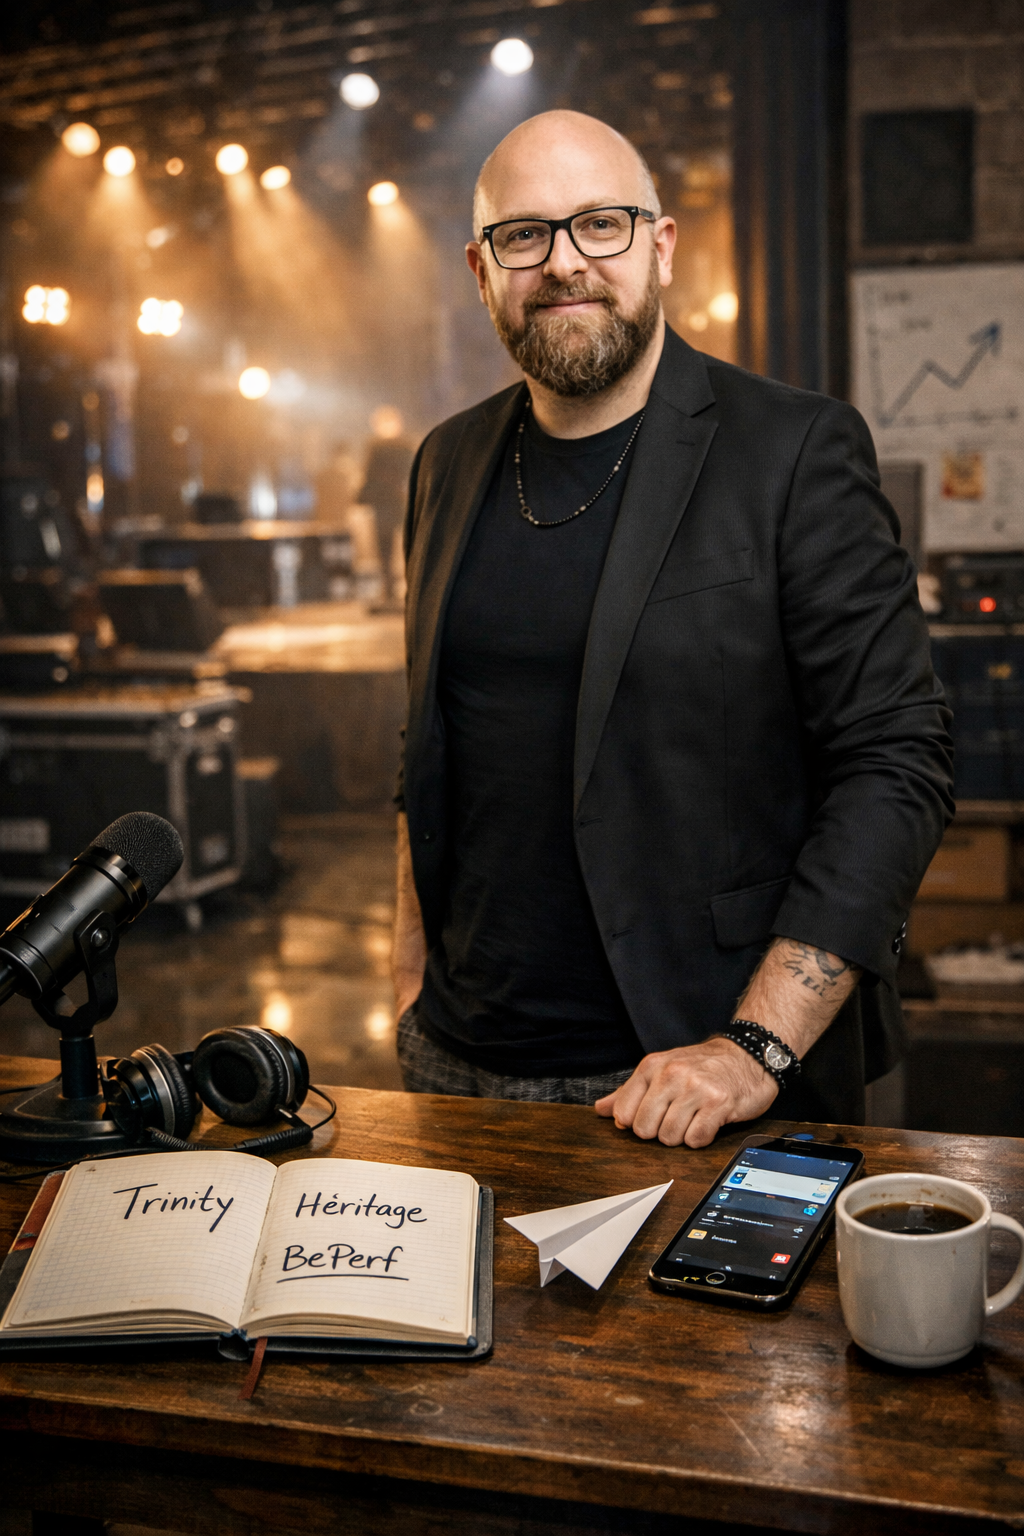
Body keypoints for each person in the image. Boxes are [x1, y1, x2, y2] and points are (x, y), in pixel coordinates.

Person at [391, 110, 953, 1147]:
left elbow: (895, 761)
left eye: (599, 224)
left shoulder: (792, 451)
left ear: (659, 245)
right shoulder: (446, 460)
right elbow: (432, 741)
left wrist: (756, 1046)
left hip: (691, 1073)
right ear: (480, 269)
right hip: (453, 1066)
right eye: (524, 236)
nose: (563, 263)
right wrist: (407, 980)